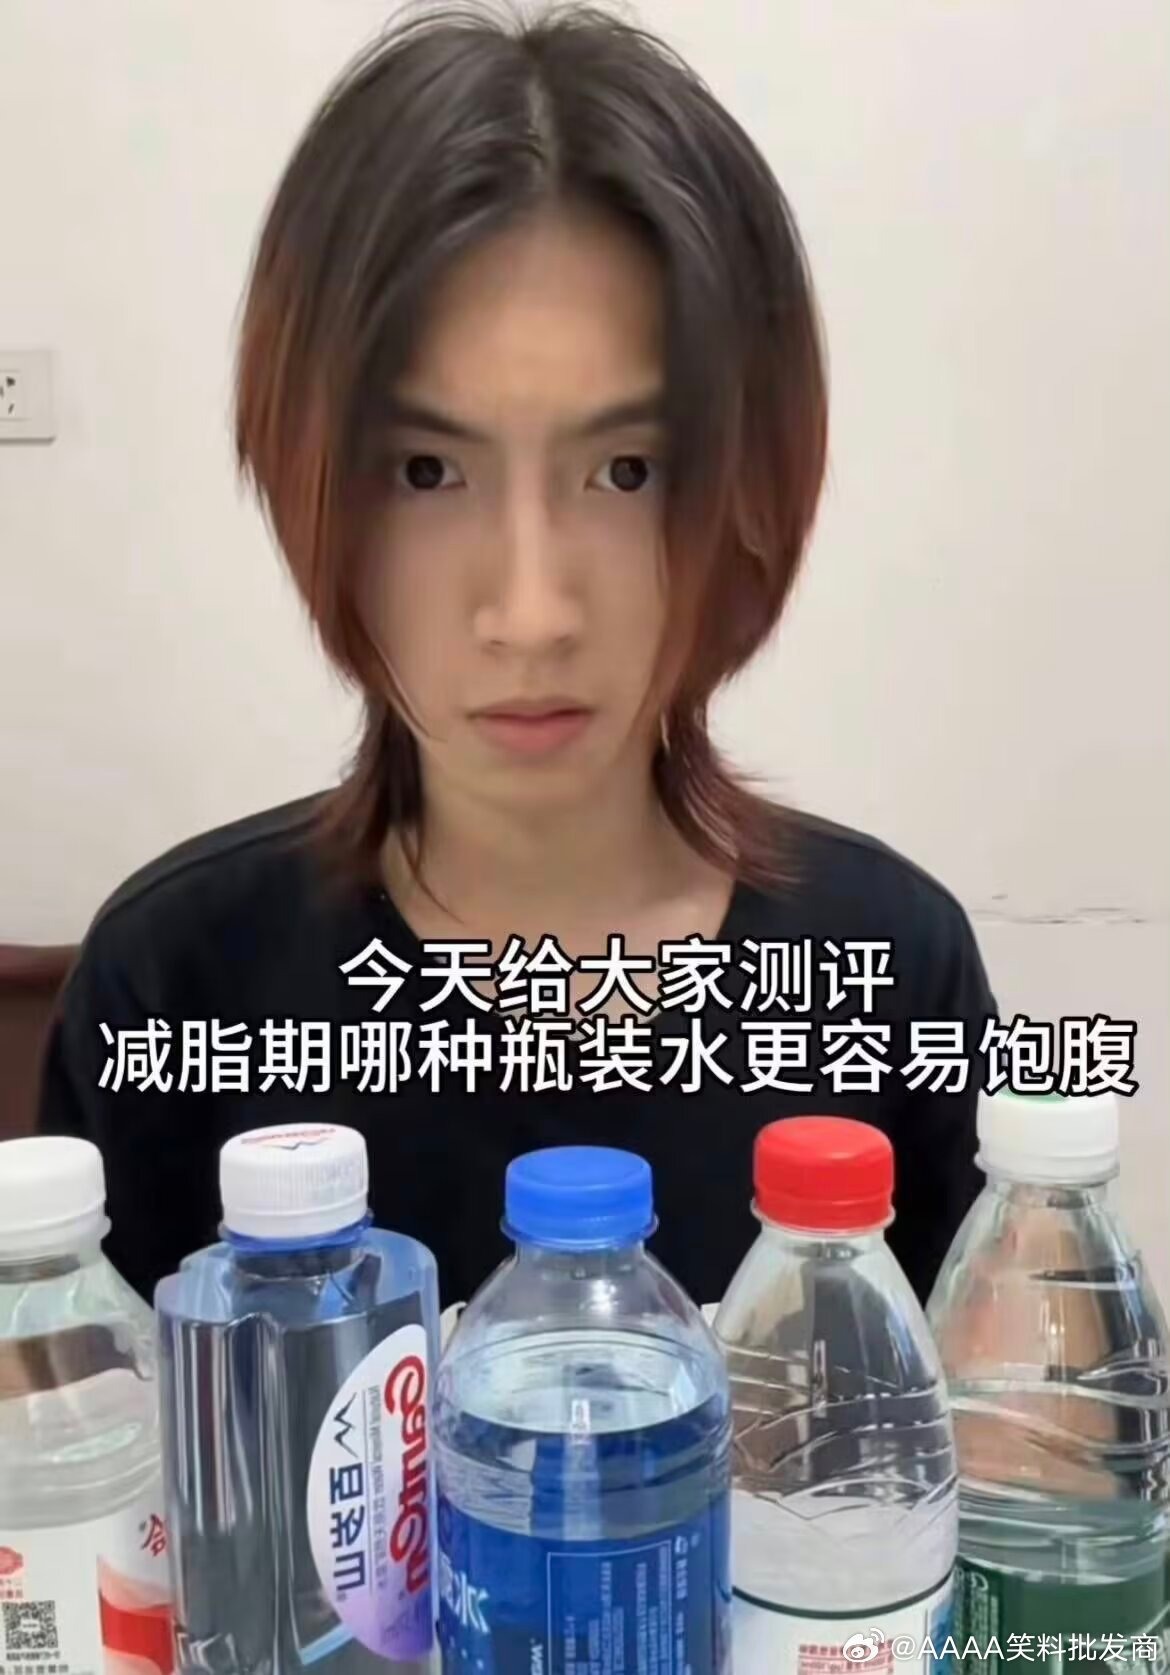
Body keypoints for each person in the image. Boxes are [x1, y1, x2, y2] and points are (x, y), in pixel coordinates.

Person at [39, 3, 995, 1311]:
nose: (532, 612)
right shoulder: (175, 985)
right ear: (311, 476)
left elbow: (989, 1425)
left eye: (626, 470)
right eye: (427, 471)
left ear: (748, 483)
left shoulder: (888, 969)